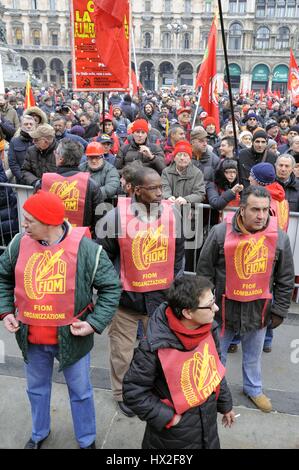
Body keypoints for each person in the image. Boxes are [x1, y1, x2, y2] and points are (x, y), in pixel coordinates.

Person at [0, 190, 121, 449]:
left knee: (81, 392)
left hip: (72, 339)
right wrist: (6, 310)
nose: (24, 225)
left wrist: (94, 323)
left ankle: (86, 440)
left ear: (49, 222)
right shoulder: (19, 243)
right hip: (31, 337)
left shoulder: (88, 250)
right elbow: (3, 276)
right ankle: (38, 433)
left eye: (29, 220)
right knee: (36, 390)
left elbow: (111, 287)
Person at [96, 167, 184, 417]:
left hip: (159, 300)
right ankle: (122, 394)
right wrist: (114, 289)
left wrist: (172, 288)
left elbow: (179, 257)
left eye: (161, 187)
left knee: (157, 351)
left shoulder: (172, 215)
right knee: (122, 353)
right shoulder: (114, 218)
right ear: (136, 190)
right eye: (153, 188)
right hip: (125, 302)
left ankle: (152, 390)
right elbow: (103, 258)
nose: (160, 193)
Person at [197, 186, 294, 412]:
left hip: (258, 311)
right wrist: (205, 306)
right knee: (215, 355)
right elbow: (204, 272)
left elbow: (285, 276)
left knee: (253, 356)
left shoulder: (278, 237)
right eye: (255, 210)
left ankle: (253, 389)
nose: (261, 216)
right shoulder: (220, 233)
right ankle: (213, 391)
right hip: (222, 311)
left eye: (265, 210)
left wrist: (279, 310)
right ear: (242, 209)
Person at [123, 275, 235, 449]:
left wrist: (226, 405)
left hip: (208, 426)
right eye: (210, 304)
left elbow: (215, 369)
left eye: (214, 300)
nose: (217, 308)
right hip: (172, 437)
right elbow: (133, 392)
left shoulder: (209, 328)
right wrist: (168, 417)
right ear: (187, 312)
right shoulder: (153, 345)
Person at [41, 138, 102, 236]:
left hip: (50, 239)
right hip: (81, 240)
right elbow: (99, 218)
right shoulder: (91, 185)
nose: (54, 154)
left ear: (61, 159)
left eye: (56, 152)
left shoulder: (43, 182)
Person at [8, 114, 36, 183]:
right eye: (26, 124)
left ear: (35, 126)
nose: (29, 126)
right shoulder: (14, 141)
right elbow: (13, 163)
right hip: (22, 182)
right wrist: (22, 178)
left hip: (38, 181)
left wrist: (37, 180)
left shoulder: (39, 140)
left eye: (31, 124)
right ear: (21, 126)